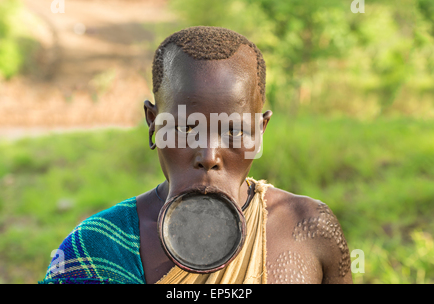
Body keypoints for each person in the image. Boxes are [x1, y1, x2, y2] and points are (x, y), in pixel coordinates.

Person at [39, 26, 352, 284]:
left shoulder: (309, 229)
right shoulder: (100, 248)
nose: (208, 155)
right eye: (187, 128)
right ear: (153, 123)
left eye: (233, 130)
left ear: (260, 131)